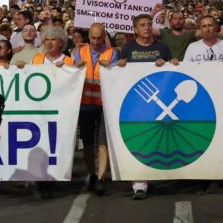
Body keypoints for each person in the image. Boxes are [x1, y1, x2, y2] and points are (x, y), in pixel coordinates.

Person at [116, 15, 179, 200]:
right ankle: (139, 184)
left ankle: (164, 174)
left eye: (149, 24)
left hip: (161, 103)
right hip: (136, 103)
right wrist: (120, 65)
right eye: (142, 25)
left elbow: (172, 70)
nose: (147, 27)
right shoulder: (127, 49)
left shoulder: (162, 47)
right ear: (135, 29)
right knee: (140, 140)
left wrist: (169, 62)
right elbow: (121, 76)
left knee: (161, 140)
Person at [30, 26, 74, 199]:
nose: (49, 42)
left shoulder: (68, 61)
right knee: (41, 145)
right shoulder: (37, 59)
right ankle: (42, 181)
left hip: (60, 113)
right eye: (46, 39)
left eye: (53, 39)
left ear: (61, 43)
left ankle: (51, 180)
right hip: (40, 111)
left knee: (55, 146)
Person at [75, 23, 117, 196]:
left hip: (104, 104)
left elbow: (117, 75)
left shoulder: (112, 53)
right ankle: (92, 174)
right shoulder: (80, 51)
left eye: (99, 38)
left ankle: (100, 178)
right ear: (89, 37)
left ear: (104, 36)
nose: (96, 41)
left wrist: (112, 66)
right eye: (93, 38)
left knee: (103, 143)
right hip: (84, 104)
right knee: (88, 142)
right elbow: (72, 67)